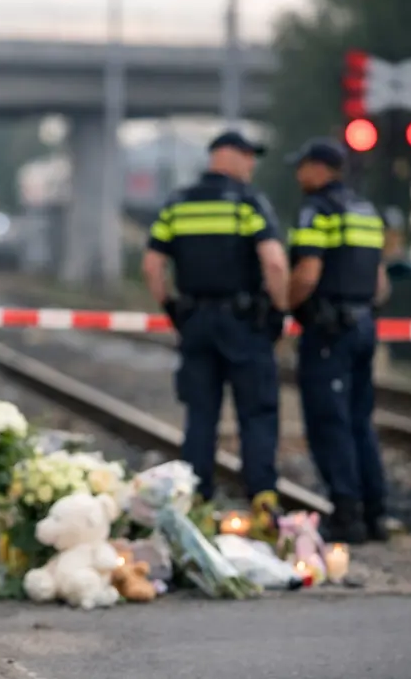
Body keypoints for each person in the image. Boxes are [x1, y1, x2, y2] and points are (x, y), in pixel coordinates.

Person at [142, 131, 290, 541]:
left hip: (196, 323)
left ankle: (198, 509)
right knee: (256, 415)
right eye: (248, 157)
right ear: (229, 157)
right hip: (245, 325)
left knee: (200, 417)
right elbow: (275, 263)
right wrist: (278, 311)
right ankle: (262, 507)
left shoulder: (178, 203)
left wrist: (173, 308)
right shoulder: (247, 202)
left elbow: (153, 266)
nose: (252, 165)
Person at [285, 137, 392, 544]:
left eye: (302, 166)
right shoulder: (366, 210)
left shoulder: (318, 209)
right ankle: (375, 513)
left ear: (319, 168)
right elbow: (380, 283)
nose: (298, 175)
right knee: (360, 421)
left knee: (329, 423)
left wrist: (284, 307)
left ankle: (347, 516)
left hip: (329, 331)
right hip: (363, 325)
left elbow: (308, 272)